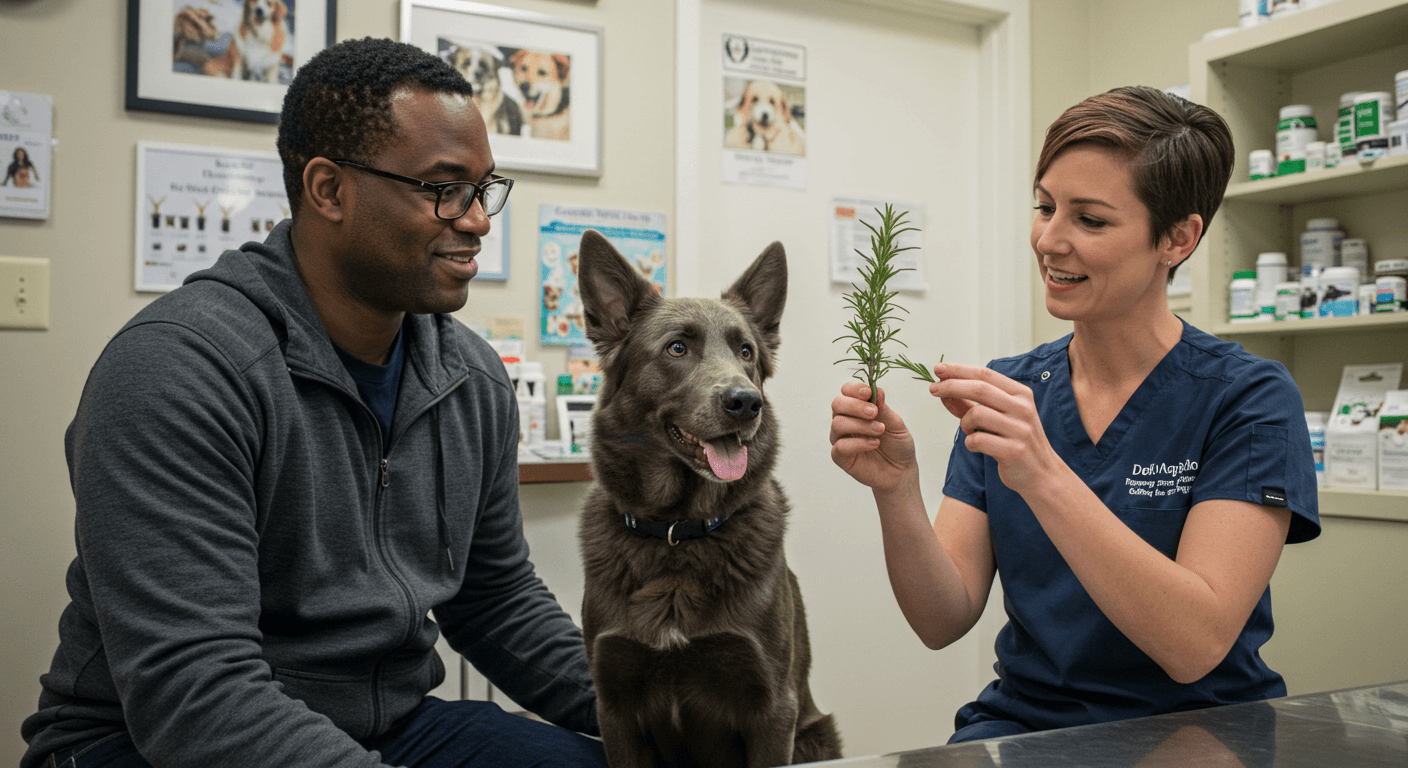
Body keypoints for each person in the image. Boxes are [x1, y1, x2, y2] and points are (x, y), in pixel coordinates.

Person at [21, 38, 606, 768]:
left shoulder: (472, 381)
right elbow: (195, 691)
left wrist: (662, 716)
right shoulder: (176, 370)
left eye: (483, 190)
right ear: (328, 190)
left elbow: (496, 600)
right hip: (146, 741)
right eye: (442, 188)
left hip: (390, 726)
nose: (478, 221)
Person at [829, 86, 1320, 743]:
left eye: (1090, 220)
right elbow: (941, 620)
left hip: (1201, 735)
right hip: (1025, 728)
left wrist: (1042, 473)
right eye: (1045, 207)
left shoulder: (1247, 398)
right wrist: (896, 490)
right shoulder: (1010, 391)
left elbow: (1195, 643)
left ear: (1177, 238)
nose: (1049, 241)